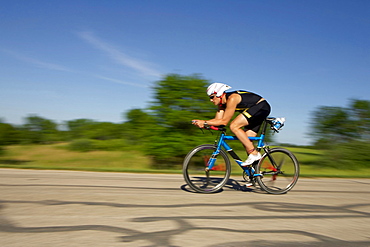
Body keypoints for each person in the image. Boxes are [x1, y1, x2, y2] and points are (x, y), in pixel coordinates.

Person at [192, 82, 271, 166]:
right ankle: (255, 172)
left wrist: (204, 122)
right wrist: (205, 124)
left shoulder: (232, 98)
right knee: (246, 141)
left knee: (234, 126)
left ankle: (254, 154)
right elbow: (218, 120)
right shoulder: (221, 104)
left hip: (261, 107)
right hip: (253, 111)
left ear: (219, 94)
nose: (210, 100)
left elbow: (224, 121)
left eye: (212, 97)